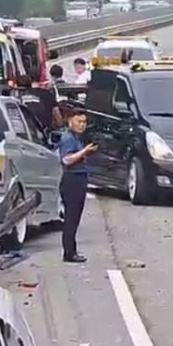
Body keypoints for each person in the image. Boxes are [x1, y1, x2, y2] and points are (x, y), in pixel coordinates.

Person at [57, 109, 100, 263]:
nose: (82, 125)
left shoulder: (77, 138)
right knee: (71, 218)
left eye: (84, 122)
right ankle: (69, 253)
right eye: (79, 121)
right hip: (72, 180)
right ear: (70, 121)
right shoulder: (68, 138)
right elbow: (67, 160)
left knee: (75, 218)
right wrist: (84, 152)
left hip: (80, 178)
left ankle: (71, 250)